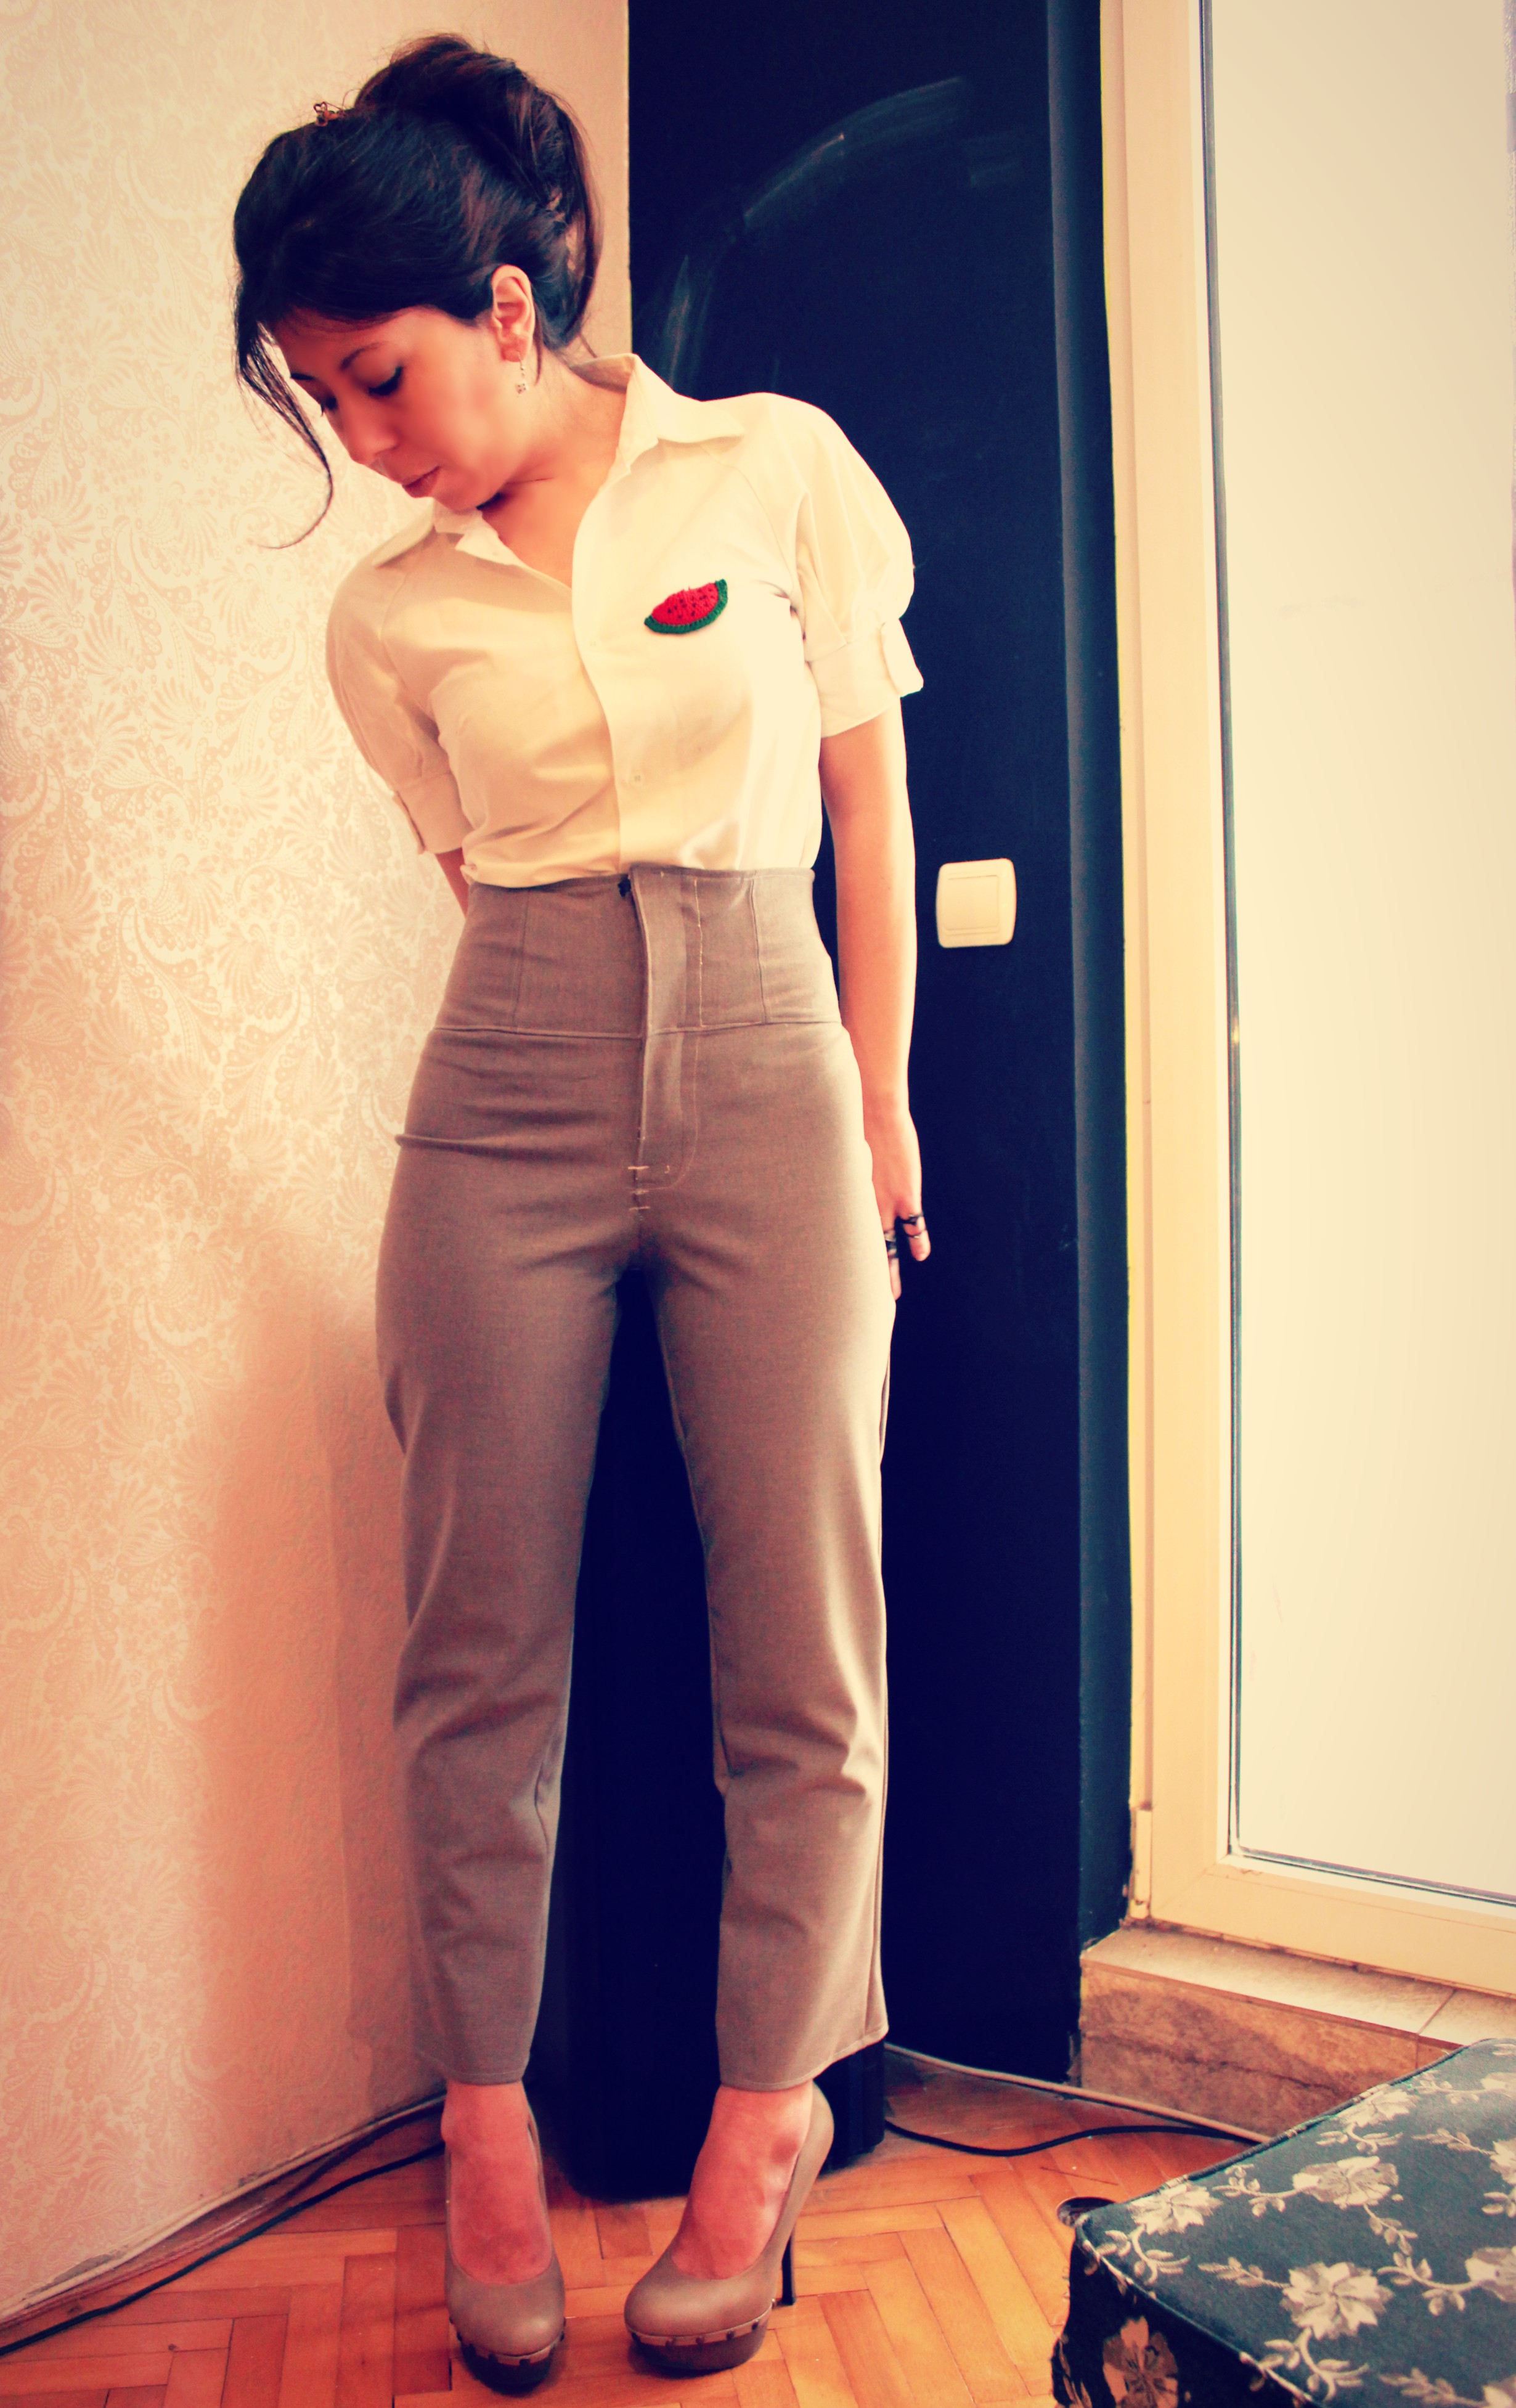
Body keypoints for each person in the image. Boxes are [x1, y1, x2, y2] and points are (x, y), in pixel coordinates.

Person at [232, 34, 929, 2391]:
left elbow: (867, 801)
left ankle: (764, 2124)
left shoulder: (776, 470)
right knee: (474, 1649)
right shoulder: (387, 621)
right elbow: (475, 885)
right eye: (323, 397)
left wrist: (878, 1096)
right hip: (508, 1070)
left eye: (381, 375)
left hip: (768, 1047)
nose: (362, 435)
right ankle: (486, 2129)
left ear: (511, 308)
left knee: (802, 1641)